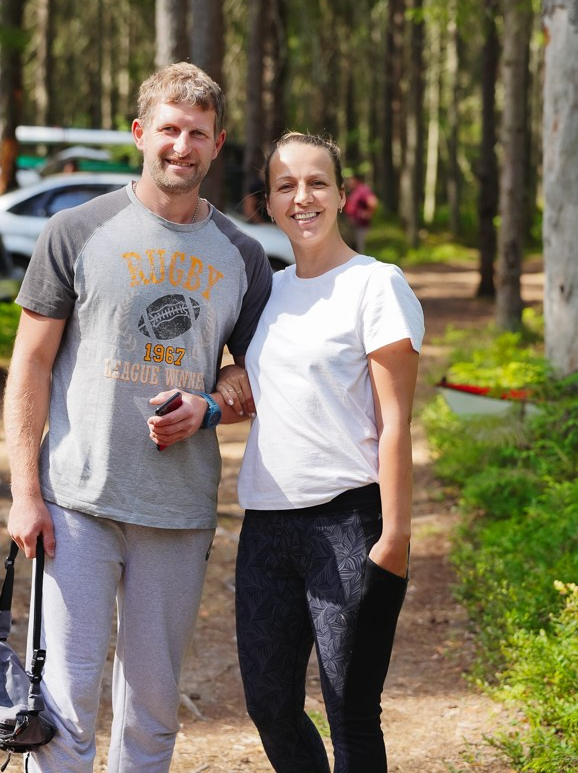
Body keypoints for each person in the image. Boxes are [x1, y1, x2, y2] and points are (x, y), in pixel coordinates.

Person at [3, 62, 273, 773]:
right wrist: (25, 492)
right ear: (139, 134)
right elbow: (30, 364)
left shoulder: (244, 257)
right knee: (61, 709)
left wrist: (210, 406)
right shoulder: (75, 231)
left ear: (218, 144)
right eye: (169, 130)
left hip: (178, 511)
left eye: (198, 134)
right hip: (76, 503)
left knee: (152, 715)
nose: (182, 146)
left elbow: (257, 374)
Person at [216, 132, 424, 773]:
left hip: (349, 523)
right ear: (269, 203)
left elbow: (395, 422)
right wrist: (229, 376)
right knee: (270, 705)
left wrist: (395, 537)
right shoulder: (265, 292)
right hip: (266, 526)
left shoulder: (376, 285)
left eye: (316, 183)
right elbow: (255, 379)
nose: (301, 197)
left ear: (340, 195)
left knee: (350, 713)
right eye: (286, 186)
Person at [343, 169, 378, 253]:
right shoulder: (353, 191)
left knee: (360, 249)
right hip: (353, 226)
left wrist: (367, 213)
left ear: (356, 179)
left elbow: (373, 202)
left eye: (350, 179)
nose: (348, 182)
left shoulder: (362, 190)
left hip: (361, 226)